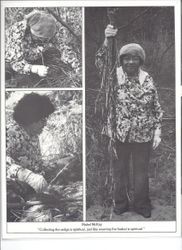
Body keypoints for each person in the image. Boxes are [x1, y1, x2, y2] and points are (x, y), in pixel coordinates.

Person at [95, 25, 163, 218]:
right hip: (119, 133)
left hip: (143, 134)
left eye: (135, 58)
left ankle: (142, 205)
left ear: (140, 61)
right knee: (120, 171)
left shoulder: (147, 79)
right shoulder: (113, 76)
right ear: (121, 60)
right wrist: (107, 39)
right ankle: (121, 204)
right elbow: (100, 61)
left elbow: (155, 107)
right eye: (126, 58)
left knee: (141, 173)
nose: (131, 61)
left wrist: (157, 131)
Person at [5, 9, 80, 85]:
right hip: (9, 56)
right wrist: (34, 69)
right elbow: (15, 61)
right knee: (13, 76)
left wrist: (77, 66)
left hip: (31, 52)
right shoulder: (17, 33)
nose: (46, 40)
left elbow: (63, 47)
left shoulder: (49, 27)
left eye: (47, 39)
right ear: (32, 32)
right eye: (42, 39)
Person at [6, 93, 55, 193]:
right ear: (31, 119)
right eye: (42, 120)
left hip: (32, 189)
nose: (45, 124)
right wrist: (27, 176)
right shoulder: (11, 133)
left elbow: (35, 165)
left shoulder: (32, 134)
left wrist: (53, 166)